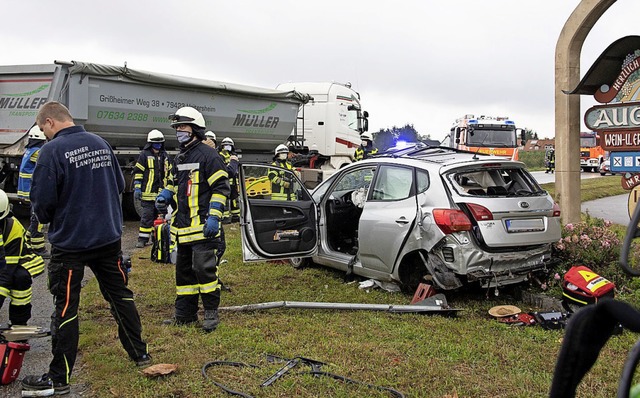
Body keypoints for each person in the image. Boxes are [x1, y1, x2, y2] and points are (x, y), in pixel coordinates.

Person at [21, 101, 150, 397]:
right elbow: (119, 184)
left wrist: (51, 218)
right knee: (120, 297)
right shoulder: (100, 143)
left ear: (50, 122)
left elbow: (42, 204)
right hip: (108, 239)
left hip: (71, 244)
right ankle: (140, 354)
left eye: (43, 129)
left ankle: (59, 378)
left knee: (66, 307)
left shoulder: (51, 152)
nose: (44, 134)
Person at [155, 106, 229, 333]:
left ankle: (210, 314)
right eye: (177, 127)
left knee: (205, 272)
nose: (179, 131)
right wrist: (165, 193)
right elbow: (173, 182)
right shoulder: (180, 157)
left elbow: (221, 188)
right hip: (183, 227)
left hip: (204, 227)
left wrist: (214, 217)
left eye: (183, 127)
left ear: (195, 129)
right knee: (184, 273)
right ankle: (185, 315)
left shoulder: (210, 156)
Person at [0, 189, 45, 326]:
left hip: (19, 260)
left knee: (20, 277)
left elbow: (6, 271)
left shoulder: (13, 229)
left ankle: (19, 323)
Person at [133, 129, 171, 248]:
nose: (158, 145)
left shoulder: (165, 156)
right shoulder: (144, 155)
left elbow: (169, 172)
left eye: (160, 143)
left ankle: (157, 240)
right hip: (147, 194)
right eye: (156, 143)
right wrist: (137, 187)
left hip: (161, 195)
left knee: (160, 219)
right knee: (147, 217)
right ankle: (142, 239)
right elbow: (138, 172)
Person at [17, 125, 49, 258]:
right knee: (38, 220)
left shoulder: (29, 151)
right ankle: (38, 248)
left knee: (34, 217)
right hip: (33, 191)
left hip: (26, 191)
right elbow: (45, 168)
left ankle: (28, 240)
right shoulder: (37, 152)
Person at [219, 137, 240, 223]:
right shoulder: (220, 156)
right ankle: (225, 217)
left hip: (234, 183)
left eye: (229, 145)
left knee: (235, 199)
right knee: (225, 200)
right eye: (225, 145)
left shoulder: (234, 156)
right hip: (225, 182)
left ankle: (236, 216)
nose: (227, 147)